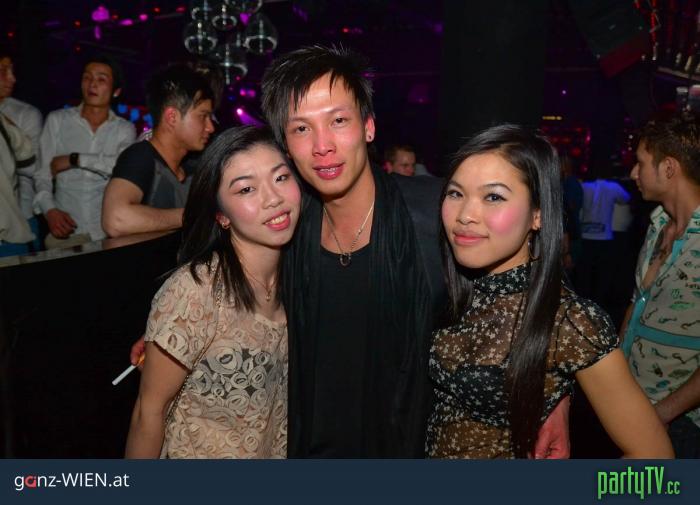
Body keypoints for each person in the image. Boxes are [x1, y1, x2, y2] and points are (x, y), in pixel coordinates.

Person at [259, 44, 569, 457]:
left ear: (369, 127)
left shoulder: (432, 211)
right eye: (301, 129)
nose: (322, 145)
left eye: (338, 121)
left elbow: (532, 282)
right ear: (285, 144)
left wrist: (553, 392)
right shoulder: (285, 226)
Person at [427, 124, 673, 458]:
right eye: (456, 193)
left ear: (538, 215)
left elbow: (656, 461)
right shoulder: (452, 286)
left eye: (493, 197)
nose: (465, 215)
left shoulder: (570, 321)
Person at [125, 126, 300, 458]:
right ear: (221, 215)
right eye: (246, 189)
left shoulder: (303, 276)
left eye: (281, 178)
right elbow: (148, 415)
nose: (273, 198)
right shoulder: (196, 292)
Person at [620, 113, 700, 458]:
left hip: (683, 422)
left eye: (640, 163)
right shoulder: (657, 226)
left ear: (668, 168)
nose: (633, 173)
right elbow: (636, 304)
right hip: (637, 406)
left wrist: (662, 414)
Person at [102, 64, 215, 238]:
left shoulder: (194, 165)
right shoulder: (140, 157)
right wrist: (192, 216)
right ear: (172, 117)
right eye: (203, 116)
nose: (210, 127)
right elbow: (115, 220)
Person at [34, 55, 136, 248]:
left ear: (116, 91)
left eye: (101, 79)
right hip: (66, 231)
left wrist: (75, 159)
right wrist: (50, 211)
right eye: (87, 77)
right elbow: (42, 174)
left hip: (107, 232)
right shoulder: (58, 120)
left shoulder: (124, 129)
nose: (92, 84)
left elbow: (122, 168)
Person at [0, 48, 42, 253]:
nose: (12, 78)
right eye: (3, 71)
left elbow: (31, 162)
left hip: (17, 219)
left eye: (12, 70)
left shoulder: (24, 114)